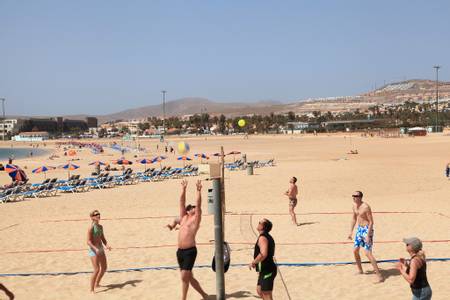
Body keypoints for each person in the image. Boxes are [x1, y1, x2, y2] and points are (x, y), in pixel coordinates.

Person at [176, 180, 208, 300]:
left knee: (184, 276)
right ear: (187, 211)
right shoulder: (183, 217)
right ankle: (204, 295)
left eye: (194, 207)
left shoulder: (195, 220)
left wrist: (198, 191)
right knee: (188, 277)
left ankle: (183, 298)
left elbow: (198, 205)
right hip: (180, 252)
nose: (193, 208)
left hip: (190, 251)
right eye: (191, 207)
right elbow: (181, 201)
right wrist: (183, 189)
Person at [347, 191, 384, 283]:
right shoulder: (354, 205)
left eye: (355, 196)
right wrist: (350, 232)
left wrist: (368, 235)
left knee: (367, 253)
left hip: (367, 229)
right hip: (359, 229)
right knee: (355, 250)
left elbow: (371, 222)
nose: (354, 197)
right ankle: (360, 270)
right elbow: (354, 218)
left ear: (360, 197)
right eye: (353, 196)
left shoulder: (366, 207)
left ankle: (379, 275)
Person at [249, 218, 277, 300]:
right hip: (264, 269)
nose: (258, 223)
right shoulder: (265, 237)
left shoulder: (263, 238)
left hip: (268, 270)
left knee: (266, 294)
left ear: (263, 226)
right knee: (259, 291)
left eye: (259, 222)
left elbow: (263, 254)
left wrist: (253, 262)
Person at [87, 210, 112, 293]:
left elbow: (103, 238)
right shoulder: (91, 228)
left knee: (104, 268)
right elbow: (88, 241)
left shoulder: (101, 227)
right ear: (92, 217)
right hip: (93, 250)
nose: (98, 215)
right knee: (96, 269)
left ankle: (97, 283)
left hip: (100, 249)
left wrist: (107, 245)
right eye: (96, 214)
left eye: (99, 214)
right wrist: (95, 248)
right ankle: (91, 289)